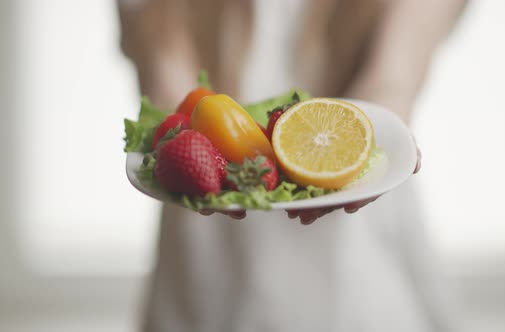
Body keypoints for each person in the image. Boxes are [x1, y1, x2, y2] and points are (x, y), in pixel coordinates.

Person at [118, 0, 467, 331]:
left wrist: (375, 139)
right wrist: (196, 154)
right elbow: (170, 86)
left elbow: (392, 79)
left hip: (360, 261)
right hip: (205, 261)